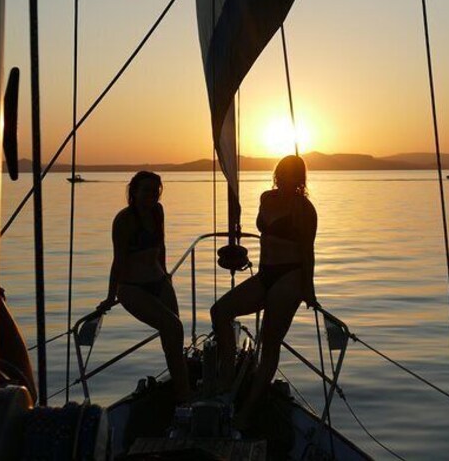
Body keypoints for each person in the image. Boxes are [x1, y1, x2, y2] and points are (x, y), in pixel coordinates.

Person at [210, 155, 318, 428]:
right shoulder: (266, 198)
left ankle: (247, 411)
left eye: (291, 174)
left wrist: (309, 290)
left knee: (269, 343)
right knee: (220, 311)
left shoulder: (304, 208)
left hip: (290, 277)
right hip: (264, 274)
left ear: (299, 179)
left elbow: (308, 251)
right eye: (281, 172)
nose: (284, 178)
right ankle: (226, 376)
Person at [99, 171, 189, 403]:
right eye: (146, 190)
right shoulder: (124, 220)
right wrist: (110, 296)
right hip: (132, 288)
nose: (151, 195)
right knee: (173, 328)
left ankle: (179, 387)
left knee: (174, 336)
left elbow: (162, 245)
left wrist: (166, 273)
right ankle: (184, 393)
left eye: (155, 191)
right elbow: (118, 260)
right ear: (134, 191)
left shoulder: (157, 212)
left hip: (159, 281)